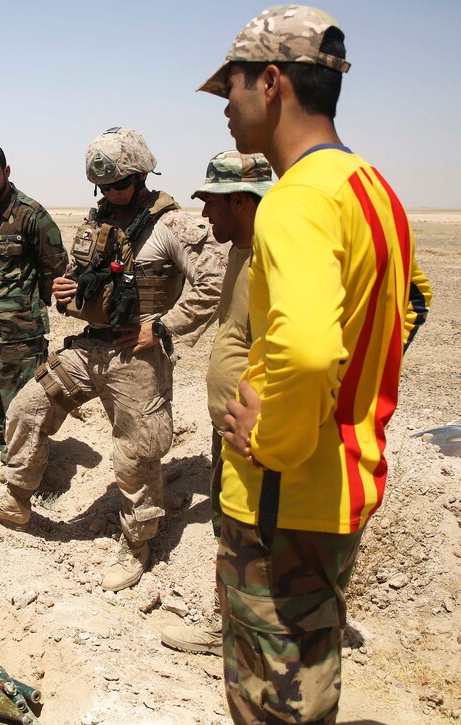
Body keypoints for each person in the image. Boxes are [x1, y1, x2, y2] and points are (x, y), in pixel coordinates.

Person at [199, 6, 433, 721]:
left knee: (274, 697)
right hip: (341, 482)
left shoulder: (294, 200)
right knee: (309, 669)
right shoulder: (371, 189)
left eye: (232, 88)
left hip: (284, 496)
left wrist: (272, 441)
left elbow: (304, 347)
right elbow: (412, 303)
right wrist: (345, 392)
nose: (226, 110)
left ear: (271, 83)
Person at [0, 128, 224, 591]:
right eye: (102, 187)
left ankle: (136, 543)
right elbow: (77, 276)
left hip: (137, 359)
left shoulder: (173, 225)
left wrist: (160, 326)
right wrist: (65, 290)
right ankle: (17, 497)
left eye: (119, 185)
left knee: (136, 455)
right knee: (27, 407)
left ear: (142, 176)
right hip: (90, 347)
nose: (110, 193)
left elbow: (212, 287)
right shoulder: (99, 219)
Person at [159, 150, 273, 658]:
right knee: (232, 529)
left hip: (255, 431)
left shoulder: (277, 257)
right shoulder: (239, 250)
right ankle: (233, 621)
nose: (204, 214)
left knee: (249, 534)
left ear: (243, 201)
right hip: (228, 424)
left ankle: (239, 634)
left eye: (212, 203)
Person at [0, 142, 68, 476]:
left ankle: (31, 469)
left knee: (25, 405)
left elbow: (57, 270)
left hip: (20, 334)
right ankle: (7, 456)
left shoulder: (32, 215)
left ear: (7, 172)